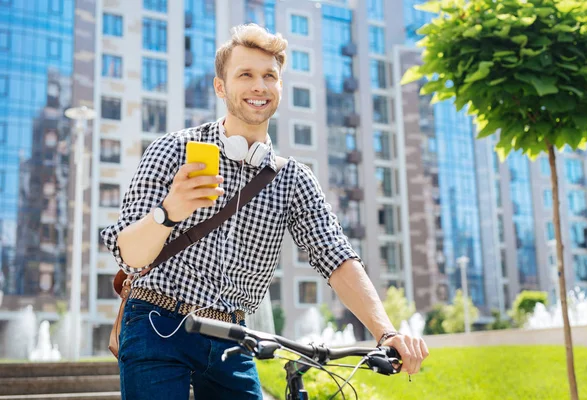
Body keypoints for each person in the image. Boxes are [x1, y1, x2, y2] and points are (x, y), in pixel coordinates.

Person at [101, 23, 428, 400]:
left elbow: (335, 256)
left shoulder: (293, 179)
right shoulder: (172, 151)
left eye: (269, 76)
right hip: (157, 323)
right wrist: (170, 210)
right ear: (220, 87)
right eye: (246, 75)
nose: (259, 86)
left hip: (233, 338)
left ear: (280, 87)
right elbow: (130, 253)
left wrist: (386, 332)